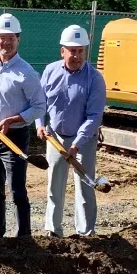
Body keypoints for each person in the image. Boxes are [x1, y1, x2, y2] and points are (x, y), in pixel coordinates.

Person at [0, 13, 46, 240]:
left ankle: (23, 237)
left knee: (17, 189)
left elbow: (39, 106)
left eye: (11, 37)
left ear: (18, 39)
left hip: (15, 137)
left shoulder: (27, 73)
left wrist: (13, 120)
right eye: (2, 37)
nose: (6, 42)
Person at [36, 25, 106, 237]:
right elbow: (40, 102)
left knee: (85, 186)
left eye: (80, 51)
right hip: (55, 137)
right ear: (62, 51)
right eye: (72, 51)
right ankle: (53, 230)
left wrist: (76, 144)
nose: (76, 56)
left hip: (83, 141)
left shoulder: (94, 78)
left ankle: (86, 233)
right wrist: (40, 124)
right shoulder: (50, 71)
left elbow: (94, 116)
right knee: (54, 185)